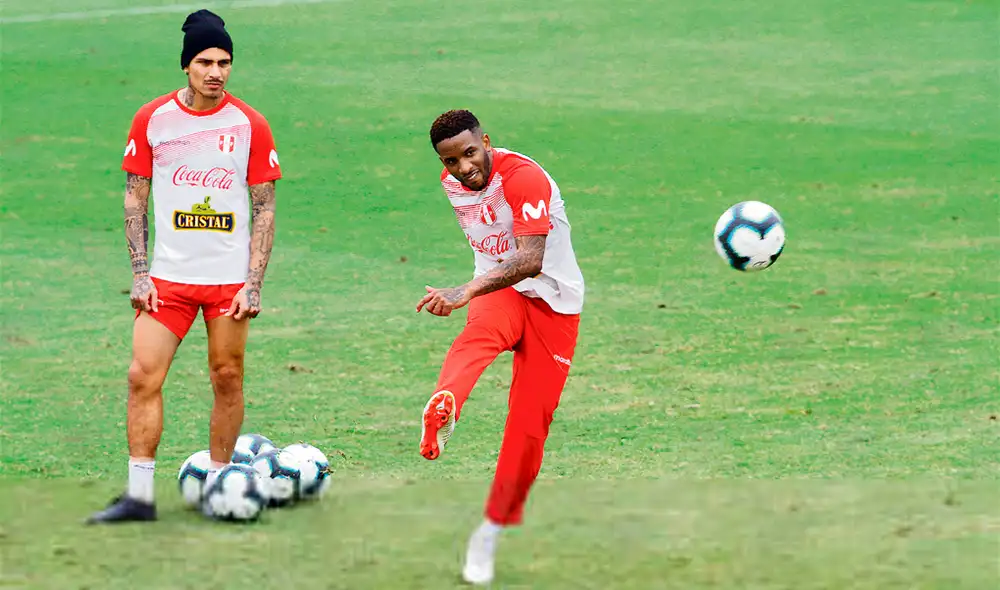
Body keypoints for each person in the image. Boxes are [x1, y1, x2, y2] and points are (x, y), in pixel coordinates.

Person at [87, 9, 282, 524]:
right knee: (141, 377)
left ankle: (220, 485)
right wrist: (139, 273)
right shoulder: (153, 119)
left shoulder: (250, 124)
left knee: (227, 377)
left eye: (224, 62)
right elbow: (135, 198)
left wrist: (254, 284)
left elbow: (264, 207)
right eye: (205, 62)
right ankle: (139, 496)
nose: (216, 72)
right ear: (186, 65)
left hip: (227, 282)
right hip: (168, 281)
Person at [416, 109, 585, 584]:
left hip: (554, 303)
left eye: (470, 153)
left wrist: (465, 291)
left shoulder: (524, 178)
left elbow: (531, 260)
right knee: (477, 338)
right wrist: (475, 290)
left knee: (529, 427)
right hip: (501, 291)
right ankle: (444, 403)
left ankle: (489, 531)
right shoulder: (452, 185)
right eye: (451, 161)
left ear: (486, 141)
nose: (463, 168)